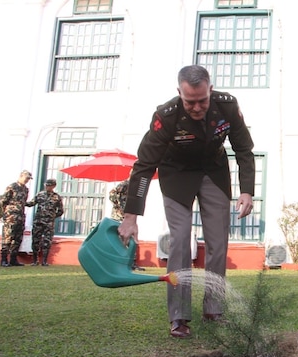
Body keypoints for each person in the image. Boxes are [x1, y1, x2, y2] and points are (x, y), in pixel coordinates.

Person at [117, 65, 255, 339]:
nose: (196, 107)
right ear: (179, 93)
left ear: (210, 90)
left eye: (202, 100)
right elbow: (144, 166)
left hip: (213, 171)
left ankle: (213, 309)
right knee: (179, 241)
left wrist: (246, 191)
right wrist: (131, 216)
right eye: (190, 101)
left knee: (218, 242)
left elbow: (244, 150)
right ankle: (179, 317)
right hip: (176, 174)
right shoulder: (166, 116)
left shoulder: (227, 107)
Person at [25, 179, 64, 266]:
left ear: (53, 186)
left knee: (47, 241)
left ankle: (44, 261)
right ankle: (35, 261)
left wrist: (52, 216)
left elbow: (60, 211)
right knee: (35, 240)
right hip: (38, 221)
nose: (47, 187)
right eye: (46, 185)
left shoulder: (56, 197)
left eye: (49, 185)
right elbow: (31, 203)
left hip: (49, 223)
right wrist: (22, 202)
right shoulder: (40, 194)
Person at [109, 178, 144, 271]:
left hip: (128, 216)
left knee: (131, 239)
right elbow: (112, 195)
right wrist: (120, 207)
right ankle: (118, 262)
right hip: (120, 217)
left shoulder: (135, 186)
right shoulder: (124, 184)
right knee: (121, 240)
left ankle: (131, 262)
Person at [0, 170, 32, 266]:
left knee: (17, 239)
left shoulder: (25, 189)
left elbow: (23, 202)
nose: (27, 180)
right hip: (11, 217)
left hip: (20, 216)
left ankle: (13, 259)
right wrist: (2, 215)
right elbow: (3, 201)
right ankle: (4, 260)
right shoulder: (12, 187)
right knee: (8, 238)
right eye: (26, 178)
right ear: (21, 176)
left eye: (28, 179)